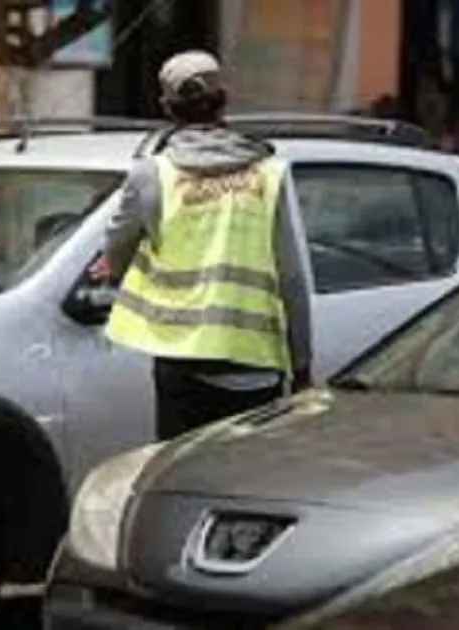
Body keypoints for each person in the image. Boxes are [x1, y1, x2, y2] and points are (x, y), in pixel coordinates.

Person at [91, 50, 314, 441]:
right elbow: (291, 277)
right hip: (254, 364)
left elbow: (117, 246)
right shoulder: (267, 173)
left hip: (180, 361)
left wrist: (112, 262)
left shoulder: (152, 174)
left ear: (167, 108)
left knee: (179, 477)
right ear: (224, 98)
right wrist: (302, 365)